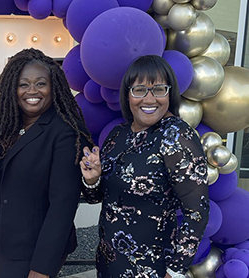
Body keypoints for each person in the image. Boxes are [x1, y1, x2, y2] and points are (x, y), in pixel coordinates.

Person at [0, 48, 94, 278]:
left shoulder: (65, 133)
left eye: (40, 84)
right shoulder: (4, 124)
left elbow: (62, 208)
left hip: (36, 250)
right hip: (1, 245)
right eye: (23, 84)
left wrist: (42, 269)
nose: (31, 91)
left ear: (53, 87)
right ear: (12, 88)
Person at [80, 55, 209, 278]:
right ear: (127, 94)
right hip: (109, 262)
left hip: (152, 269)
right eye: (139, 90)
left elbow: (197, 211)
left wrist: (175, 271)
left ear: (170, 93)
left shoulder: (177, 136)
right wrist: (93, 180)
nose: (149, 99)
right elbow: (99, 198)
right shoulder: (117, 135)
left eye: (159, 89)